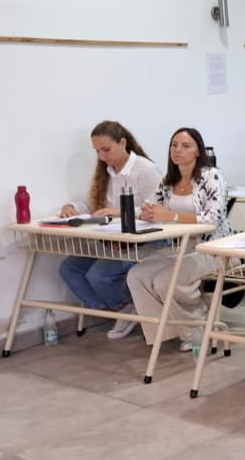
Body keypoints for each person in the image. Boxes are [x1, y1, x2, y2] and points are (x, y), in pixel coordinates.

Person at [126, 128, 231, 351]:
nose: (178, 150)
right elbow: (149, 206)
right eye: (174, 145)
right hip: (179, 246)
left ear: (198, 151)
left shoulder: (212, 176)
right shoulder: (169, 180)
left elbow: (213, 218)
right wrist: (144, 213)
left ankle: (197, 327)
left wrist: (170, 216)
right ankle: (169, 332)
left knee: (165, 281)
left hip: (213, 247)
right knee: (136, 275)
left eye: (185, 146)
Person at [57, 121, 163, 339]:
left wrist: (119, 212)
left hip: (143, 242)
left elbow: (159, 210)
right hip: (112, 241)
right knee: (69, 268)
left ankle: (126, 306)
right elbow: (90, 203)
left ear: (122, 143)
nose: (101, 156)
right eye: (97, 151)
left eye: (106, 149)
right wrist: (71, 207)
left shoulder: (146, 170)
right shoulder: (106, 171)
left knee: (98, 275)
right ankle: (120, 308)